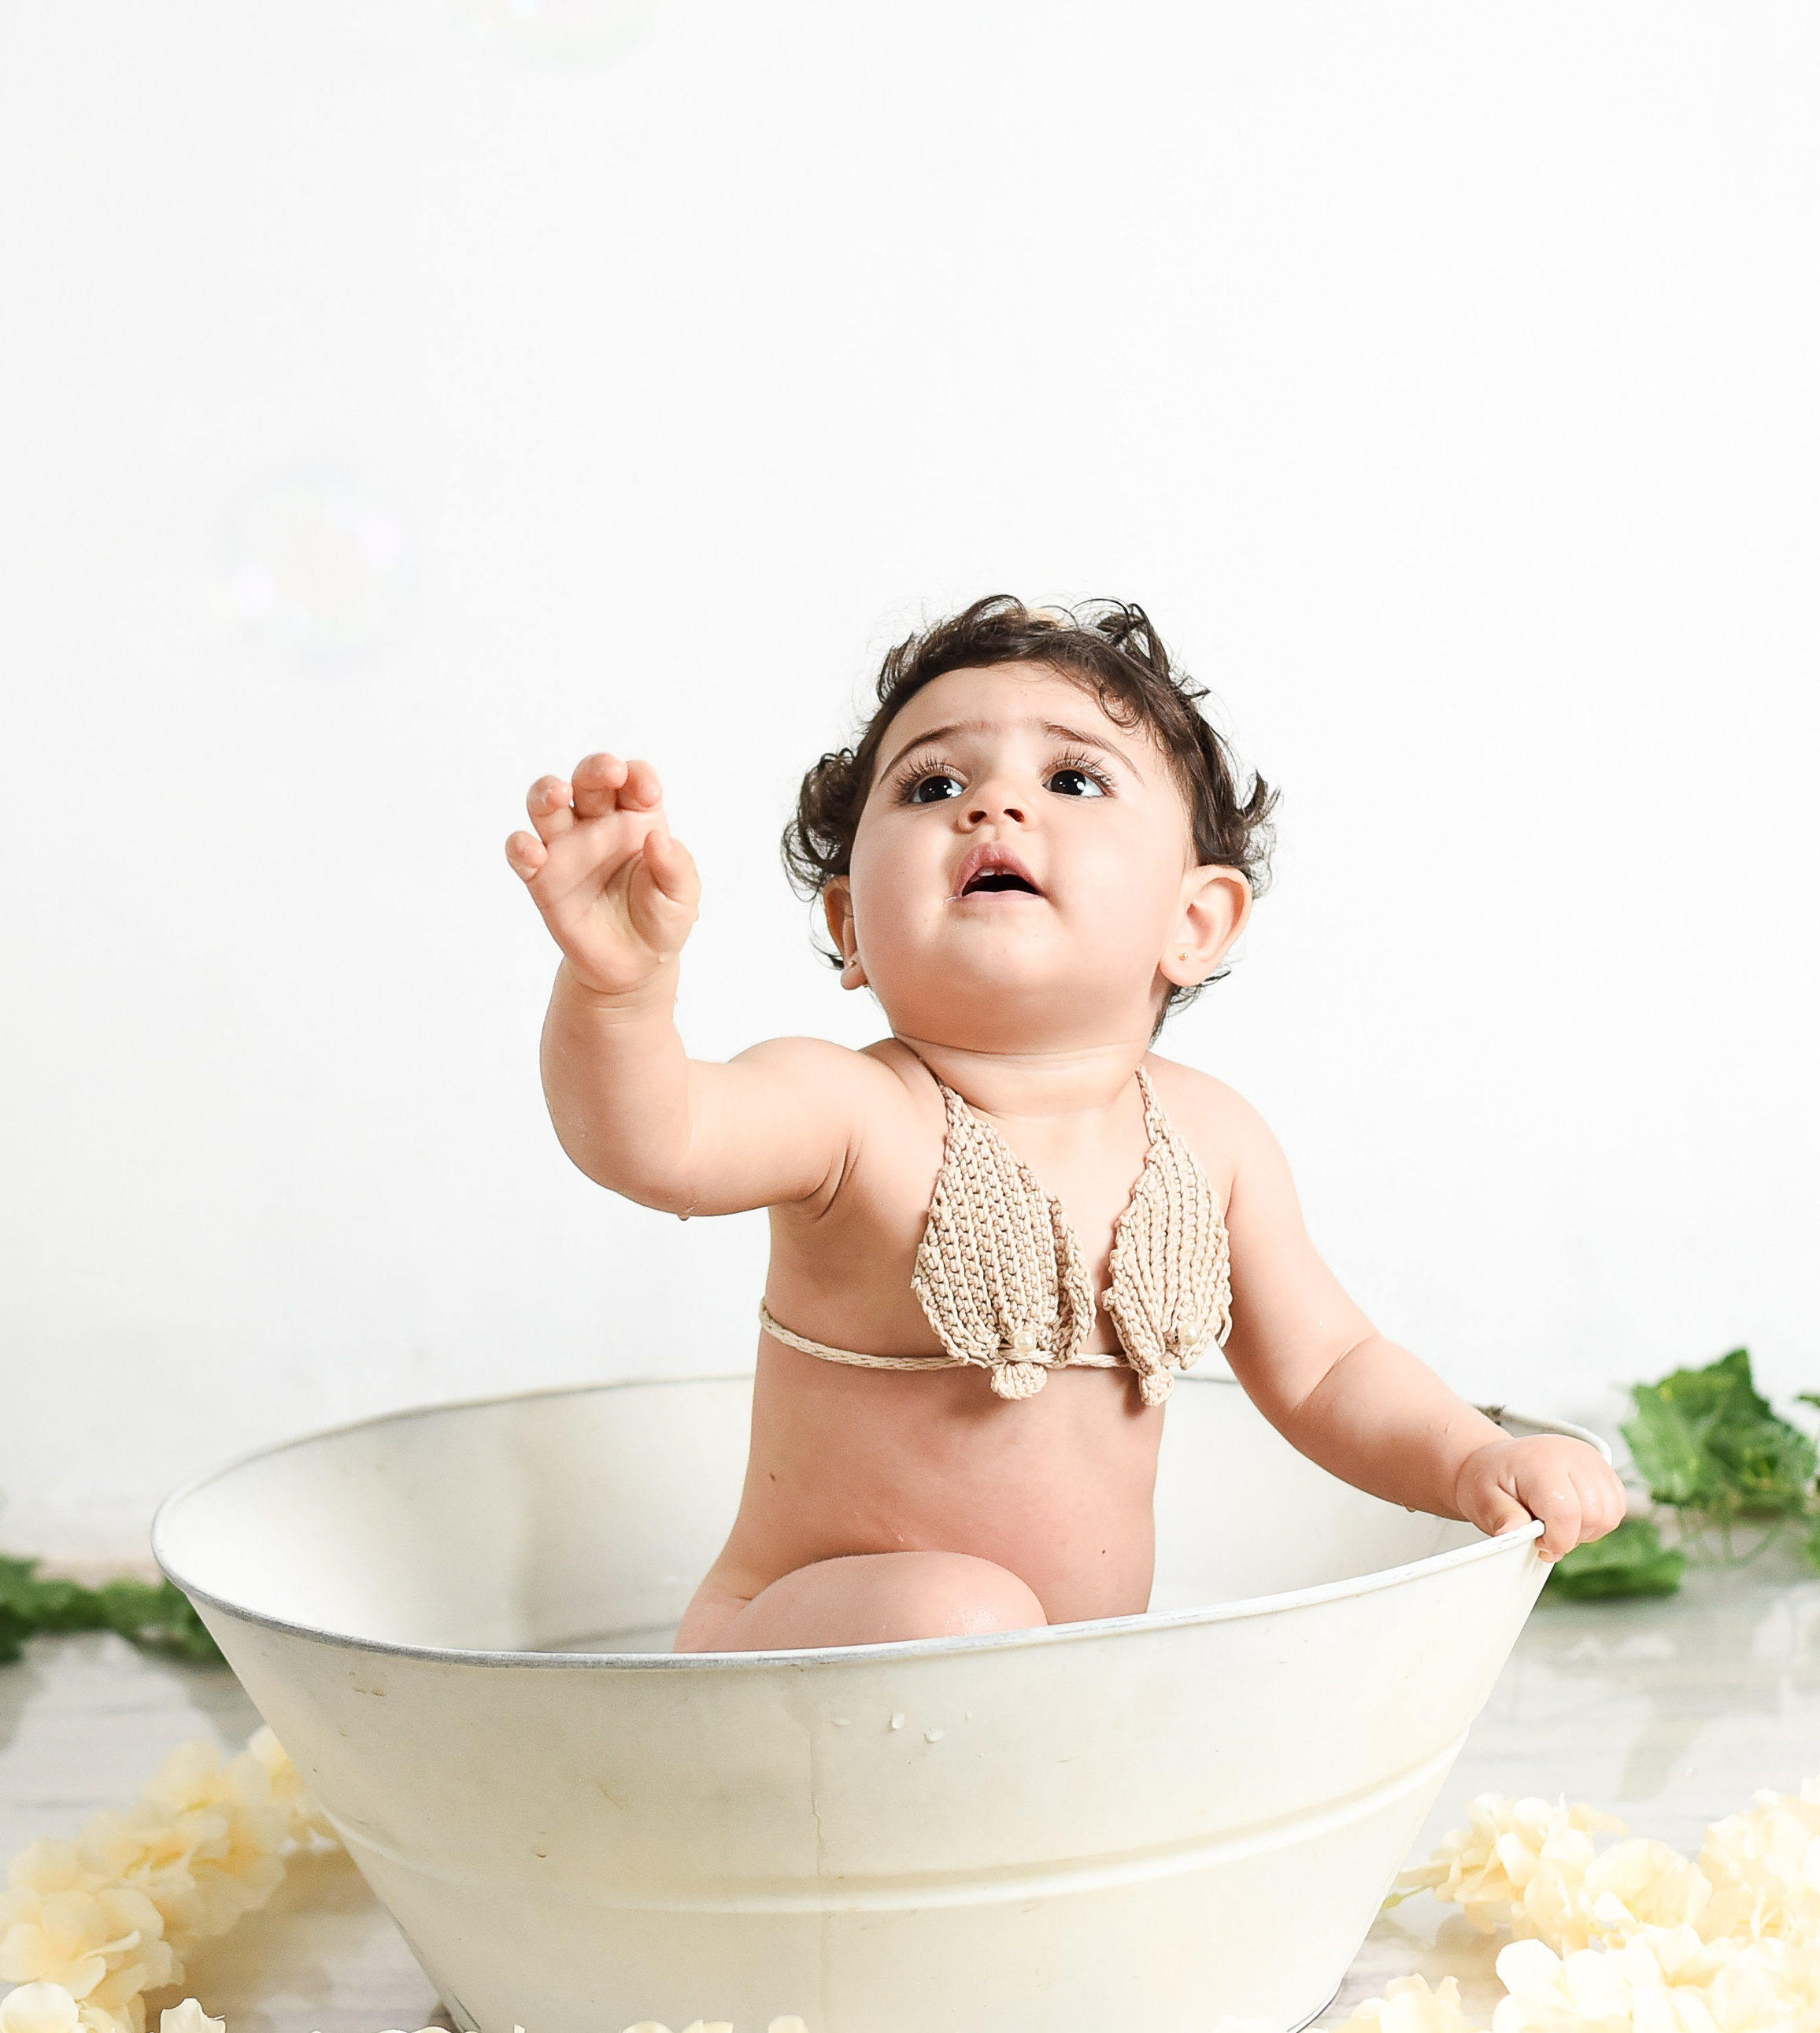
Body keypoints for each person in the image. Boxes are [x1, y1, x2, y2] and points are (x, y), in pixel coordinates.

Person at [506, 597, 1626, 1651]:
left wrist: (1474, 1458)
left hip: (1048, 1703)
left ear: (1195, 921)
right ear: (849, 925)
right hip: (801, 1673)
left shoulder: (1212, 1142)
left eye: (1073, 779)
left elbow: (1330, 1369)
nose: (994, 804)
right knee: (965, 1614)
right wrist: (618, 993)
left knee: (1041, 1658)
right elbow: (654, 1139)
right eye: (933, 783)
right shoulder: (850, 1112)